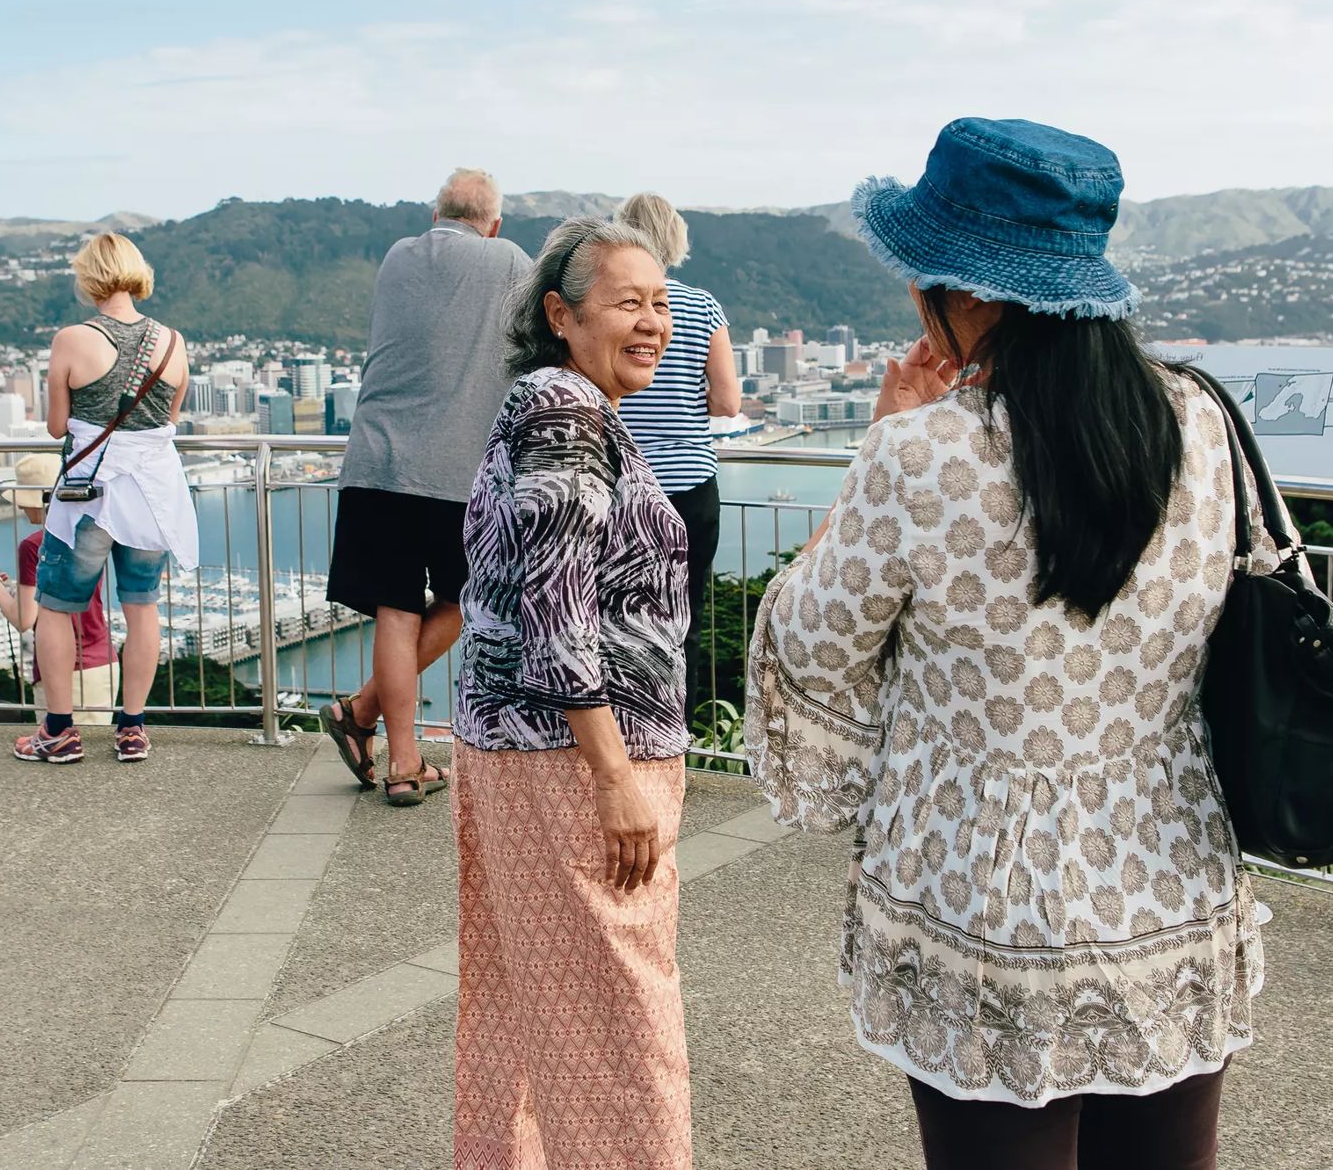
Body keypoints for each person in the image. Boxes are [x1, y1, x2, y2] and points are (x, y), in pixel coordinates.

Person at [745, 118, 1287, 1170]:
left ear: (974, 291)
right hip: (1170, 879)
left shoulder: (919, 454)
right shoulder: (1202, 423)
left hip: (979, 898)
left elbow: (812, 647)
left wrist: (880, 442)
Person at [452, 217, 693, 1170]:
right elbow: (557, 603)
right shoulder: (568, 411)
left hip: (517, 748)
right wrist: (614, 775)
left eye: (662, 303)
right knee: (619, 1021)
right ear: (560, 314)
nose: (653, 322)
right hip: (568, 760)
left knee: (527, 1001)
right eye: (627, 302)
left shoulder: (555, 403)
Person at [320, 168, 530, 805]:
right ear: (493, 224)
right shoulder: (512, 260)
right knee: (470, 599)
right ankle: (379, 736)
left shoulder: (398, 255)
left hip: (380, 460)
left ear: (435, 214)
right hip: (461, 470)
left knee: (396, 605)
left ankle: (384, 740)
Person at [14, 232, 195, 765]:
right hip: (151, 496)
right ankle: (133, 729)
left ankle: (60, 732)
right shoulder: (173, 341)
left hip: (89, 496)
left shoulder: (72, 338)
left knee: (55, 608)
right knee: (142, 608)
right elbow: (169, 418)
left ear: (88, 277)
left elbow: (54, 427)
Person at [615, 192, 740, 723]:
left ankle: (618, 735)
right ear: (676, 240)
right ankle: (672, 742)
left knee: (617, 617)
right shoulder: (703, 306)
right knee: (682, 620)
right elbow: (729, 402)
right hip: (692, 489)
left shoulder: (614, 305)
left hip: (624, 483)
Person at [0, 452, 118, 726]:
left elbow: (24, 619)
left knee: (59, 751)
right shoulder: (90, 533)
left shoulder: (34, 546)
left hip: (63, 670)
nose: (20, 508)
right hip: (104, 662)